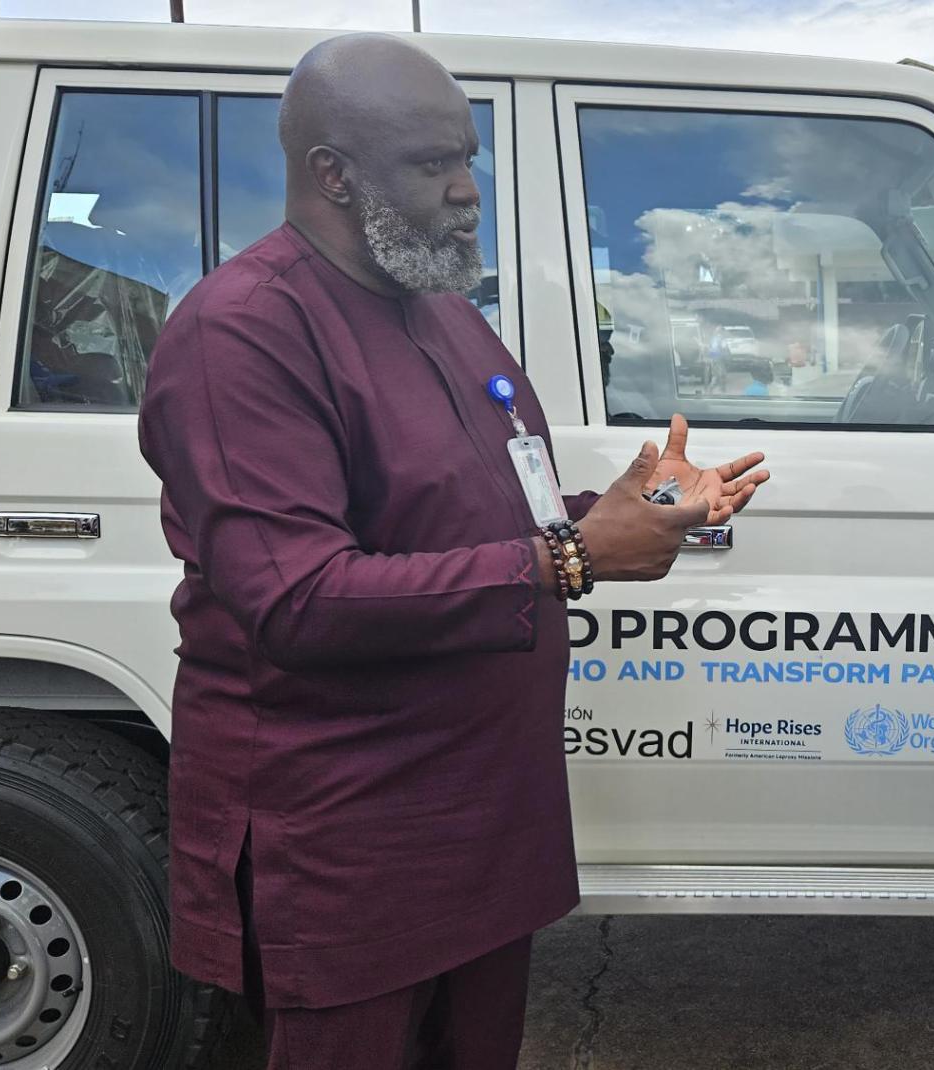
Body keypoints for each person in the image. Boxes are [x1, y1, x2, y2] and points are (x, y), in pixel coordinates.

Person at [137, 34, 768, 1070]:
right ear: (333, 172)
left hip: (483, 826)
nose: (468, 191)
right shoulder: (243, 330)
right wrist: (568, 557)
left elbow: (477, 510)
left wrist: (633, 505)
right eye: (434, 163)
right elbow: (296, 599)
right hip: (349, 847)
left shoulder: (441, 312)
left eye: (467, 158)